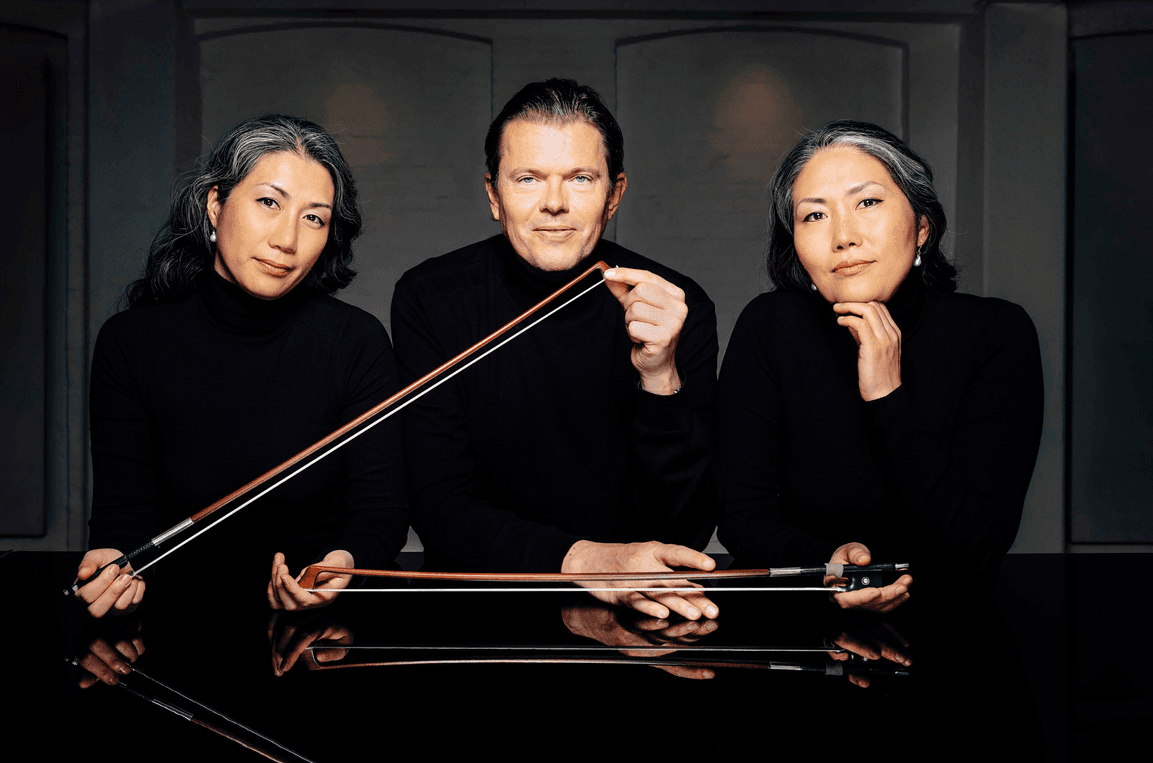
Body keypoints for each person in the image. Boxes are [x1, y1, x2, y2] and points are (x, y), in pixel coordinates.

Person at [391, 78, 721, 621]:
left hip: (641, 615)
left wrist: (660, 375)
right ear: (494, 195)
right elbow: (439, 504)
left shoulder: (675, 305)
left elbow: (685, 535)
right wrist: (586, 560)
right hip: (480, 619)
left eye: (580, 179)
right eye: (527, 179)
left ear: (614, 194)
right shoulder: (431, 298)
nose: (554, 204)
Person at [74, 114, 409, 617]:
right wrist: (115, 560)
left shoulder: (356, 341)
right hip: (176, 621)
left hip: (317, 624)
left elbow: (380, 512)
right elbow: (126, 513)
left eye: (314, 217)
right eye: (268, 203)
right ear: (215, 203)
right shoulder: (131, 343)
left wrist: (339, 567)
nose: (287, 240)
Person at [717, 120, 1043, 611]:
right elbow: (742, 518)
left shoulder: (996, 334)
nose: (844, 237)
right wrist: (831, 566)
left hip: (955, 640)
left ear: (922, 228)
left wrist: (887, 396)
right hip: (808, 638)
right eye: (814, 216)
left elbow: (977, 548)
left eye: (867, 203)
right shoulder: (771, 327)